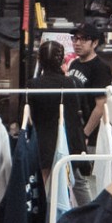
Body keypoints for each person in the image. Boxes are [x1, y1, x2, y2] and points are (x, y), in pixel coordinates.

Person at [66, 22, 112, 205]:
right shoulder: (74, 64)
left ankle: (92, 214)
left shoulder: (100, 68)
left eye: (83, 39)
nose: (77, 43)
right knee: (76, 180)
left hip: (90, 135)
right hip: (75, 130)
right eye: (75, 38)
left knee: (87, 180)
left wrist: (85, 134)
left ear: (95, 43)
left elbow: (100, 106)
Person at [28, 40, 84, 181]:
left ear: (39, 60)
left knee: (44, 181)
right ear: (62, 60)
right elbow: (75, 115)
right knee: (70, 182)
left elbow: (29, 117)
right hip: (66, 137)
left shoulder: (33, 84)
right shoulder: (70, 83)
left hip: (42, 139)